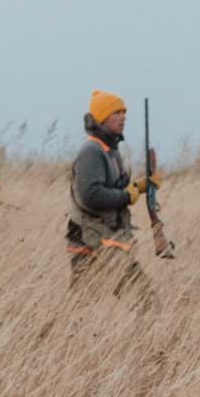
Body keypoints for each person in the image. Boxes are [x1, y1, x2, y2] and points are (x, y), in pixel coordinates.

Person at [65, 91, 154, 299]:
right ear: (102, 117)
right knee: (143, 300)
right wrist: (126, 195)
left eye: (124, 112)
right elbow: (92, 195)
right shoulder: (91, 152)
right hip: (91, 239)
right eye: (117, 112)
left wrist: (140, 187)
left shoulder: (109, 150)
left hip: (102, 238)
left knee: (83, 305)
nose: (123, 117)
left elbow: (114, 187)